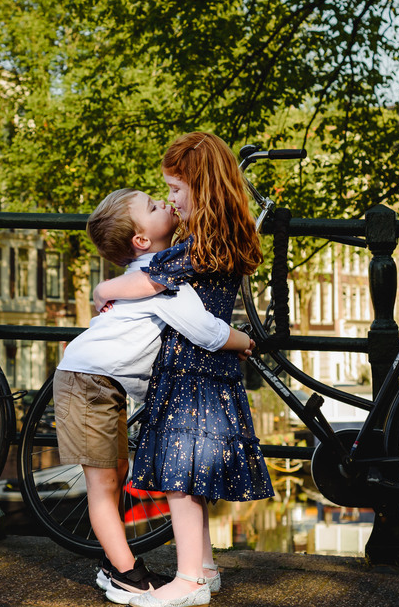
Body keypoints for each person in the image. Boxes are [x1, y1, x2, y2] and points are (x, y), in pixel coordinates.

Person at [92, 132, 273, 607]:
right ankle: (205, 568)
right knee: (190, 474)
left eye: (175, 188)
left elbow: (146, 281)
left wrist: (102, 290)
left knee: (181, 480)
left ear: (201, 187)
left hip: (192, 372)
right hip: (206, 371)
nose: (170, 198)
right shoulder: (219, 237)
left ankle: (190, 580)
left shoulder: (197, 249)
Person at [56, 187, 256, 605]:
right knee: (104, 484)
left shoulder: (156, 269)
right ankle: (125, 573)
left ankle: (119, 563)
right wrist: (241, 340)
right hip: (87, 380)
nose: (164, 202)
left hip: (99, 380)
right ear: (142, 239)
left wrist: (103, 289)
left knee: (115, 474)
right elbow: (203, 329)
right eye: (153, 205)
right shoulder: (160, 281)